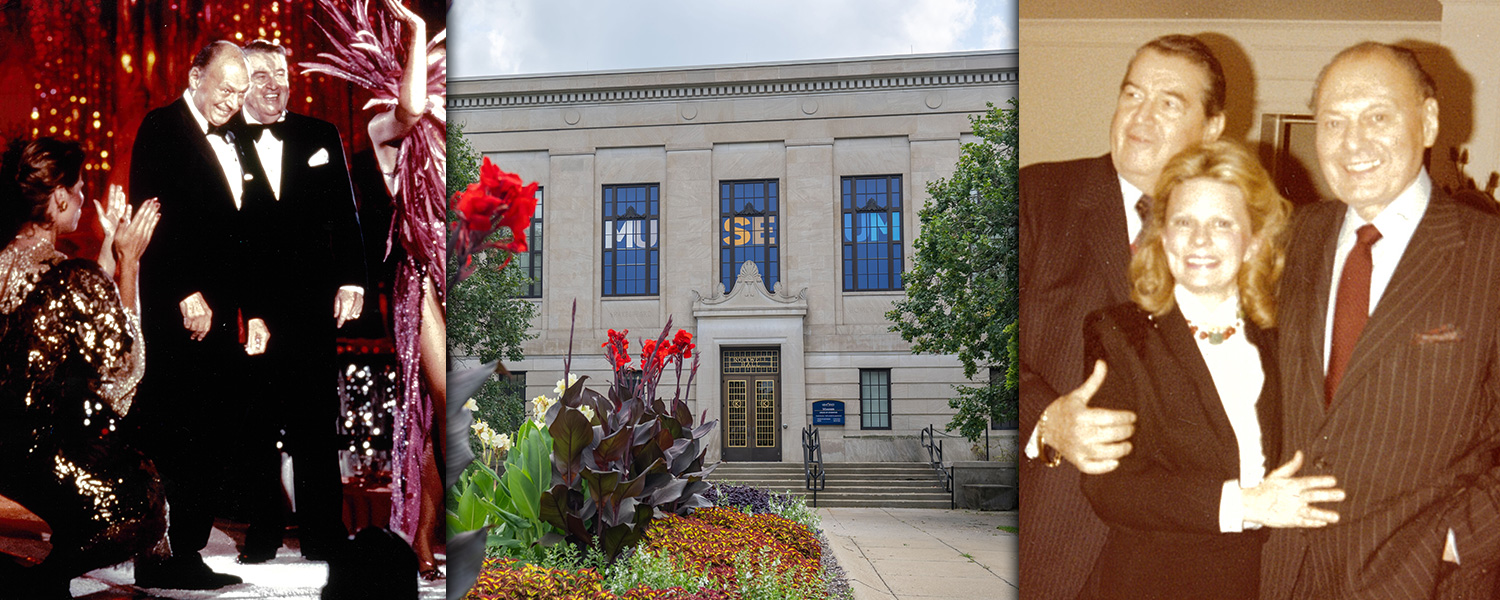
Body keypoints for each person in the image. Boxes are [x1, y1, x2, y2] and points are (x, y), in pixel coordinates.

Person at [1262, 41, 1500, 599]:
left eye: (1377, 117)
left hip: (1424, 579)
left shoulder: (1489, 255)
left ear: (1429, 121)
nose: (1352, 143)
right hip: (1281, 572)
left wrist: (1459, 538)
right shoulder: (1287, 242)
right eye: (1334, 121)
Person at [1076, 140, 1343, 600]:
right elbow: (1111, 488)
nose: (1200, 240)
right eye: (1184, 222)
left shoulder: (1285, 336)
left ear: (1254, 239)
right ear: (1162, 235)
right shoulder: (1121, 334)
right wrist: (1243, 504)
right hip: (1151, 584)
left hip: (1265, 581)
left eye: (1221, 223)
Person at [1017, 34, 1226, 599]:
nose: (1141, 115)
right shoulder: (1033, 199)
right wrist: (1045, 420)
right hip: (1051, 540)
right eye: (1132, 93)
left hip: (1181, 556)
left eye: (1169, 102)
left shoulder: (1239, 234)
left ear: (1212, 127)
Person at [301, 0, 447, 578]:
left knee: (454, 417)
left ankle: (430, 535)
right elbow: (410, 108)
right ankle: (428, 538)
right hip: (425, 283)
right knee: (447, 407)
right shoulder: (386, 130)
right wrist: (415, 28)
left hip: (474, 279)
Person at [127, 40, 271, 589]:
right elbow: (151, 217)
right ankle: (164, 552)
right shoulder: (162, 128)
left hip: (224, 317)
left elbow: (248, 236)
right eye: (225, 90)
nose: (232, 102)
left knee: (210, 433)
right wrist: (186, 291)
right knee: (176, 433)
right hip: (177, 310)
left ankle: (186, 550)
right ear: (195, 77)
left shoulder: (236, 136)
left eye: (240, 93)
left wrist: (253, 311)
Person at [0, 137, 163, 599]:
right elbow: (125, 374)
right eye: (79, 187)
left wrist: (110, 246)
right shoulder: (67, 275)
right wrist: (129, 262)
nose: (85, 197)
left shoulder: (9, 262)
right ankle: (43, 580)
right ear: (58, 198)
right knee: (144, 501)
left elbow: (68, 309)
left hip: (6, 448)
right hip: (40, 455)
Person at [233, 38, 367, 565]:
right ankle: (263, 530)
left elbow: (346, 215)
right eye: (260, 75)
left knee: (316, 419)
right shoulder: (221, 141)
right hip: (248, 306)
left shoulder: (320, 134)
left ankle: (322, 532)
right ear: (241, 83)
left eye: (280, 74)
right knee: (257, 423)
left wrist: (352, 280)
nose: (273, 84)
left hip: (312, 301)